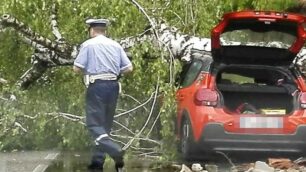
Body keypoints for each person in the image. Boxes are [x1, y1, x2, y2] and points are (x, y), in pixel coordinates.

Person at [73, 18, 133, 172]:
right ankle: (97, 164)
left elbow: (77, 68)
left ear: (92, 30)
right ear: (104, 30)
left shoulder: (88, 45)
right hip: (113, 86)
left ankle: (115, 151)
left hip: (97, 86)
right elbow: (128, 68)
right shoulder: (115, 45)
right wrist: (115, 73)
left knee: (94, 125)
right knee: (105, 126)